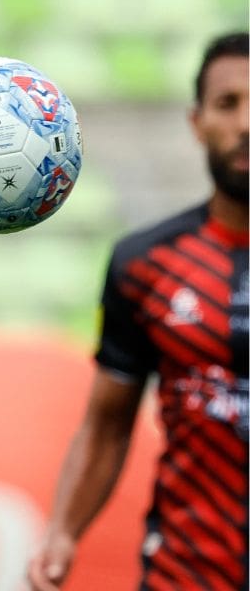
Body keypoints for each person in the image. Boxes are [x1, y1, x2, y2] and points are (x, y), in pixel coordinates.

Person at [27, 31, 249, 591]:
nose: (246, 124)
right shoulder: (146, 265)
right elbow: (107, 423)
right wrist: (62, 532)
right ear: (197, 123)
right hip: (187, 573)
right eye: (228, 104)